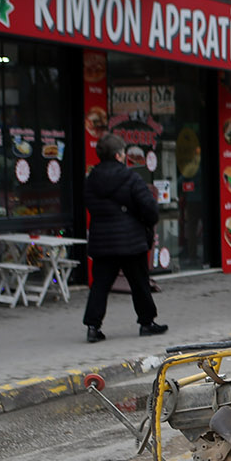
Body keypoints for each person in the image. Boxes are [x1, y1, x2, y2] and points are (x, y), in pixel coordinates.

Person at [83, 133, 167, 343]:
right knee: (139, 282)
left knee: (100, 285)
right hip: (131, 240)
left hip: (102, 240)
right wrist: (145, 222)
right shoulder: (131, 177)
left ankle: (93, 327)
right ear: (120, 155)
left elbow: (89, 205)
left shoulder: (91, 179)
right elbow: (149, 208)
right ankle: (146, 323)